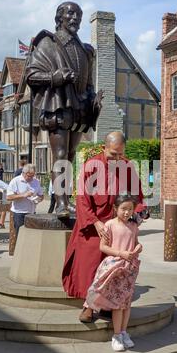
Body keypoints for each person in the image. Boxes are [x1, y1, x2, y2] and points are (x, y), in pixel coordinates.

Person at [26, 1, 102, 217]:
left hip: (79, 109)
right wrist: (54, 77)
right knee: (60, 155)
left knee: (69, 156)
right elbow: (32, 75)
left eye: (78, 14)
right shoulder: (48, 43)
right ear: (59, 17)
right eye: (70, 13)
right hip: (58, 105)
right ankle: (60, 204)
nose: (75, 18)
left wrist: (93, 99)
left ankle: (65, 199)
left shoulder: (85, 50)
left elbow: (88, 83)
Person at [62, 131, 145, 323]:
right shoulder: (91, 166)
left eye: (120, 154)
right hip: (94, 227)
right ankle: (89, 307)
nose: (117, 158)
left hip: (118, 227)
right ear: (104, 147)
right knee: (91, 268)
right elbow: (82, 199)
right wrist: (95, 221)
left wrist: (138, 211)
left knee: (116, 269)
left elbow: (137, 196)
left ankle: (109, 305)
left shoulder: (127, 166)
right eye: (112, 154)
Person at [85, 194, 142, 351]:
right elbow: (103, 247)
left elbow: (135, 242)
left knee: (126, 303)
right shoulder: (109, 225)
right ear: (115, 208)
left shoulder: (133, 226)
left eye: (130, 209)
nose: (126, 212)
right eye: (123, 209)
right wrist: (120, 253)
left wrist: (138, 248)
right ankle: (116, 335)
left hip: (129, 268)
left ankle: (124, 332)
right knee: (117, 303)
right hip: (114, 267)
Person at [6, 164, 44, 238]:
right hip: (19, 213)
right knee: (20, 236)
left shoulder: (36, 181)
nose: (31, 178)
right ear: (23, 173)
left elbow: (41, 196)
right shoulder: (15, 181)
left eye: (32, 176)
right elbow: (8, 197)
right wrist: (23, 195)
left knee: (31, 236)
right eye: (29, 176)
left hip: (32, 212)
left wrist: (38, 199)